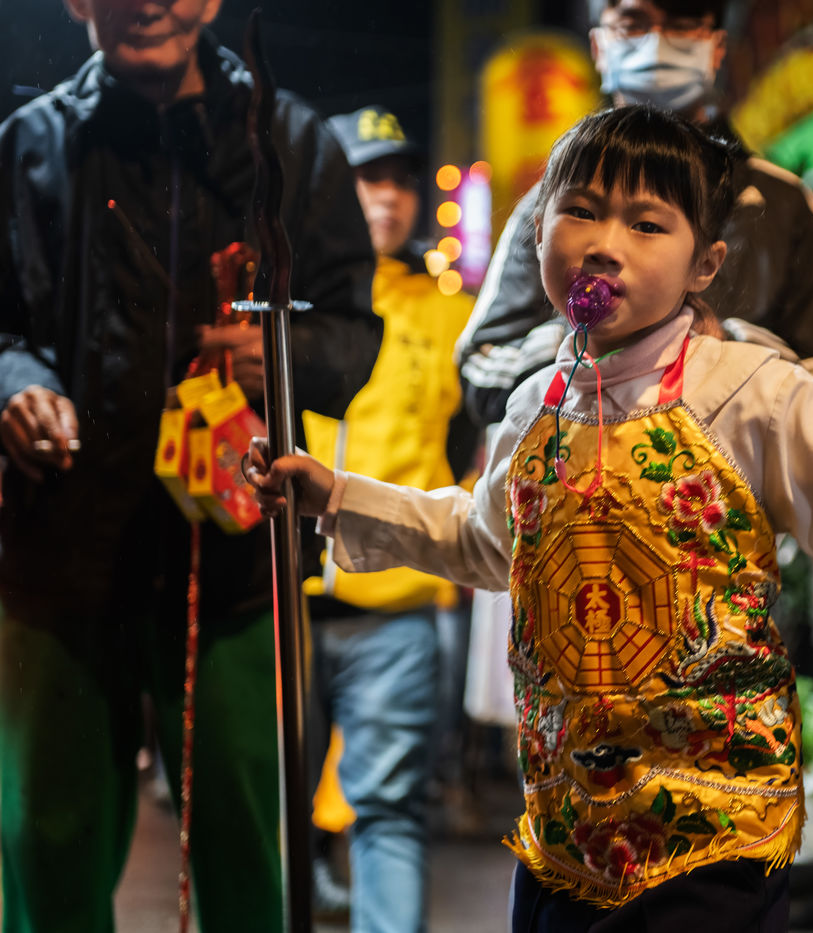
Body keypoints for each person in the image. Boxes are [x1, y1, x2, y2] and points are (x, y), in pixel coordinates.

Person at [247, 104, 813, 931]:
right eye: (580, 211)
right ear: (538, 233)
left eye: (646, 224)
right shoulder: (533, 406)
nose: (604, 244)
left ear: (706, 264)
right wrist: (339, 495)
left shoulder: (752, 391)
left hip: (713, 840)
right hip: (562, 833)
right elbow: (486, 540)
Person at [0, 1, 382, 930]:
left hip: (237, 568)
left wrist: (279, 353)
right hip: (56, 565)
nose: (148, 3)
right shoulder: (29, 144)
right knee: (45, 849)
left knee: (245, 852)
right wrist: (16, 386)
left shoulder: (288, 143)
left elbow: (351, 330)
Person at [456, 0, 813, 456]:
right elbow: (480, 364)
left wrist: (714, 352)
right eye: (634, 22)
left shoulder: (781, 202)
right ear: (599, 46)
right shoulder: (549, 201)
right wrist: (582, 350)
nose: (657, 42)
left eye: (682, 23)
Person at [303, 104, 477, 933]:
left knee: (391, 811)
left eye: (401, 180)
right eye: (365, 177)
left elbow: (472, 439)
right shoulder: (286, 297)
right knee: (263, 809)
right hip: (278, 601)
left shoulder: (451, 312)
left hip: (399, 606)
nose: (387, 196)